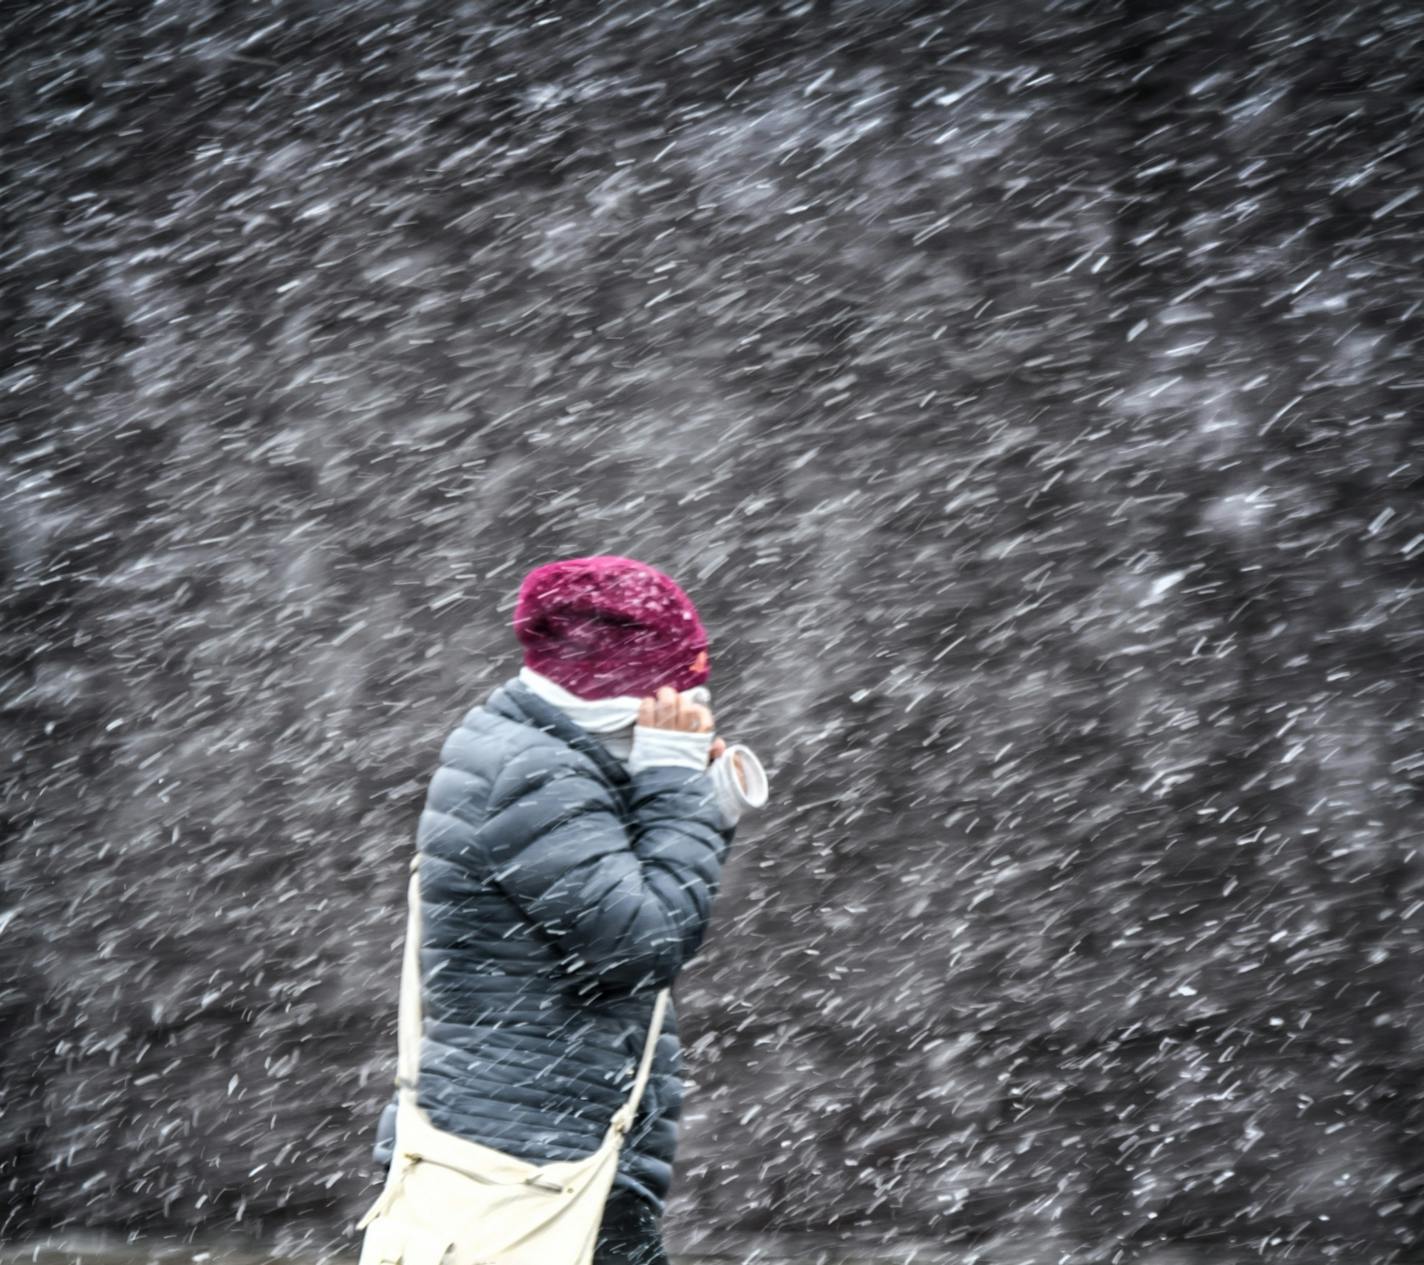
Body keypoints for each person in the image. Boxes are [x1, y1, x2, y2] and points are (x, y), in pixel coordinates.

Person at [371, 555, 768, 1265]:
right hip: (537, 1164)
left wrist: (692, 796)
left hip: (540, 1146)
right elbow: (640, 944)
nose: (693, 710)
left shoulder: (534, 749)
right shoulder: (538, 772)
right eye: (674, 695)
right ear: (623, 691)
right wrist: (677, 784)